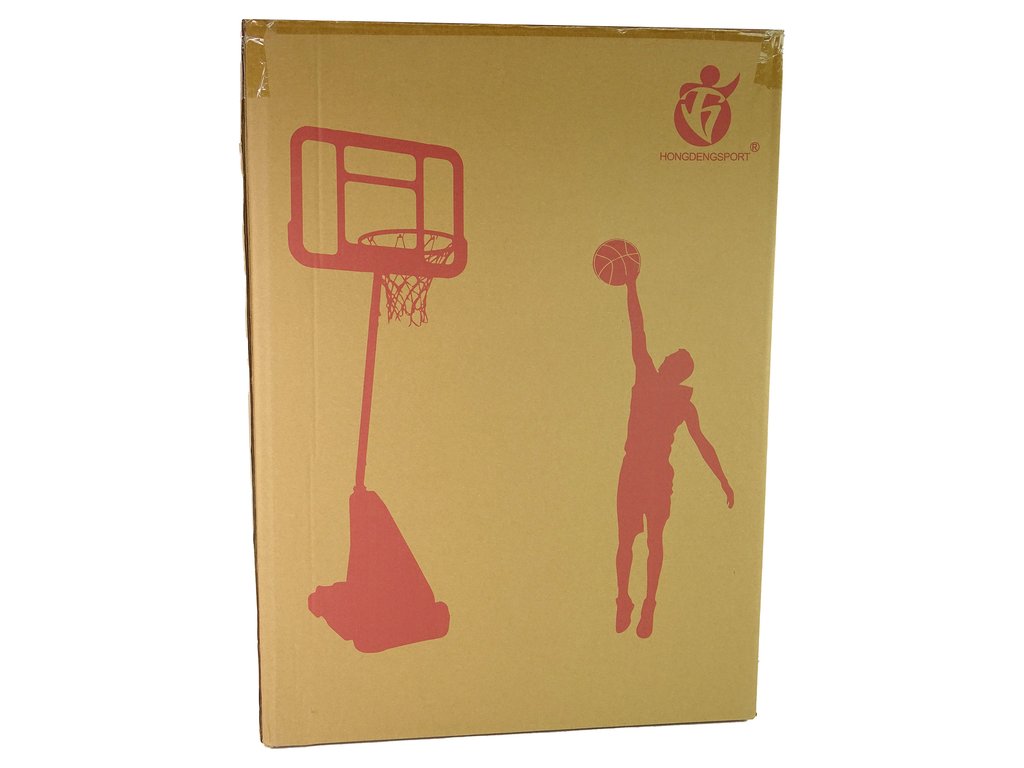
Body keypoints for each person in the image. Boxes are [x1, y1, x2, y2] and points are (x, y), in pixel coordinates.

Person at [616, 271, 734, 638]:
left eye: (670, 358)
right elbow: (637, 328)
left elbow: (703, 444)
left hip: (653, 474)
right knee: (628, 541)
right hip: (634, 470)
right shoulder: (647, 379)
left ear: (676, 370)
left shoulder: (677, 401)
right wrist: (631, 286)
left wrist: (723, 479)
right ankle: (624, 600)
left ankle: (648, 604)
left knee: (652, 541)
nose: (664, 358)